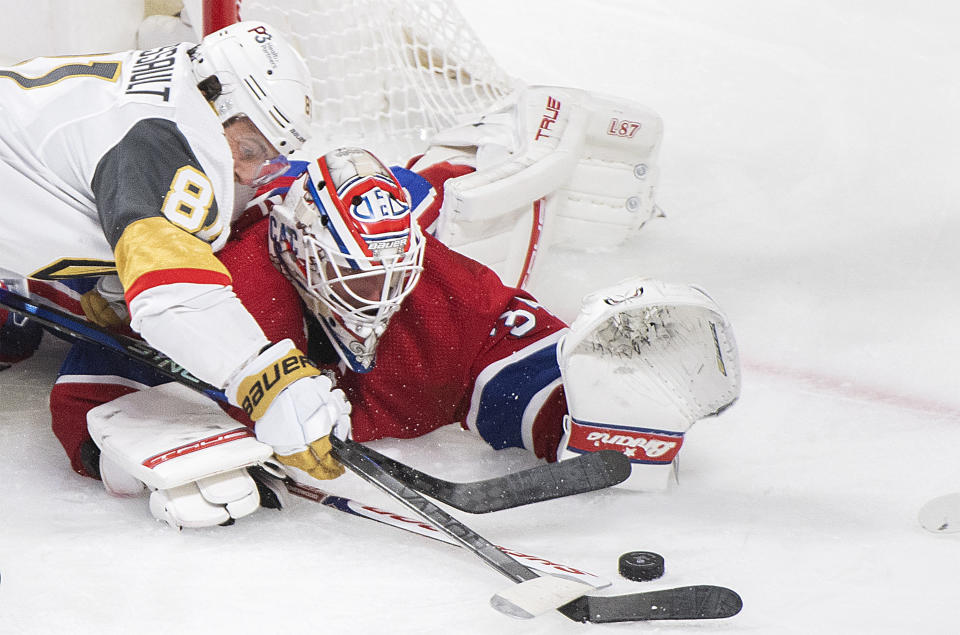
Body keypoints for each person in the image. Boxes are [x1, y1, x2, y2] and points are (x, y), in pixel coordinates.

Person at [47, 146, 742, 529]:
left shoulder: (431, 289)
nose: (376, 299)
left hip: (394, 309)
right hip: (147, 227)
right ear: (302, 256)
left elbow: (450, 210)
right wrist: (138, 449)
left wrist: (587, 400)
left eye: (390, 273)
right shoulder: (237, 280)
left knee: (530, 377)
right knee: (53, 290)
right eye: (356, 277)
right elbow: (109, 354)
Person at [0, 21, 368, 495]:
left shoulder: (173, 85)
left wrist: (115, 280)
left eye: (265, 157)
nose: (247, 171)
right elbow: (174, 297)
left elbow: (94, 182)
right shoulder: (164, 137)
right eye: (249, 148)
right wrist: (270, 383)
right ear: (219, 102)